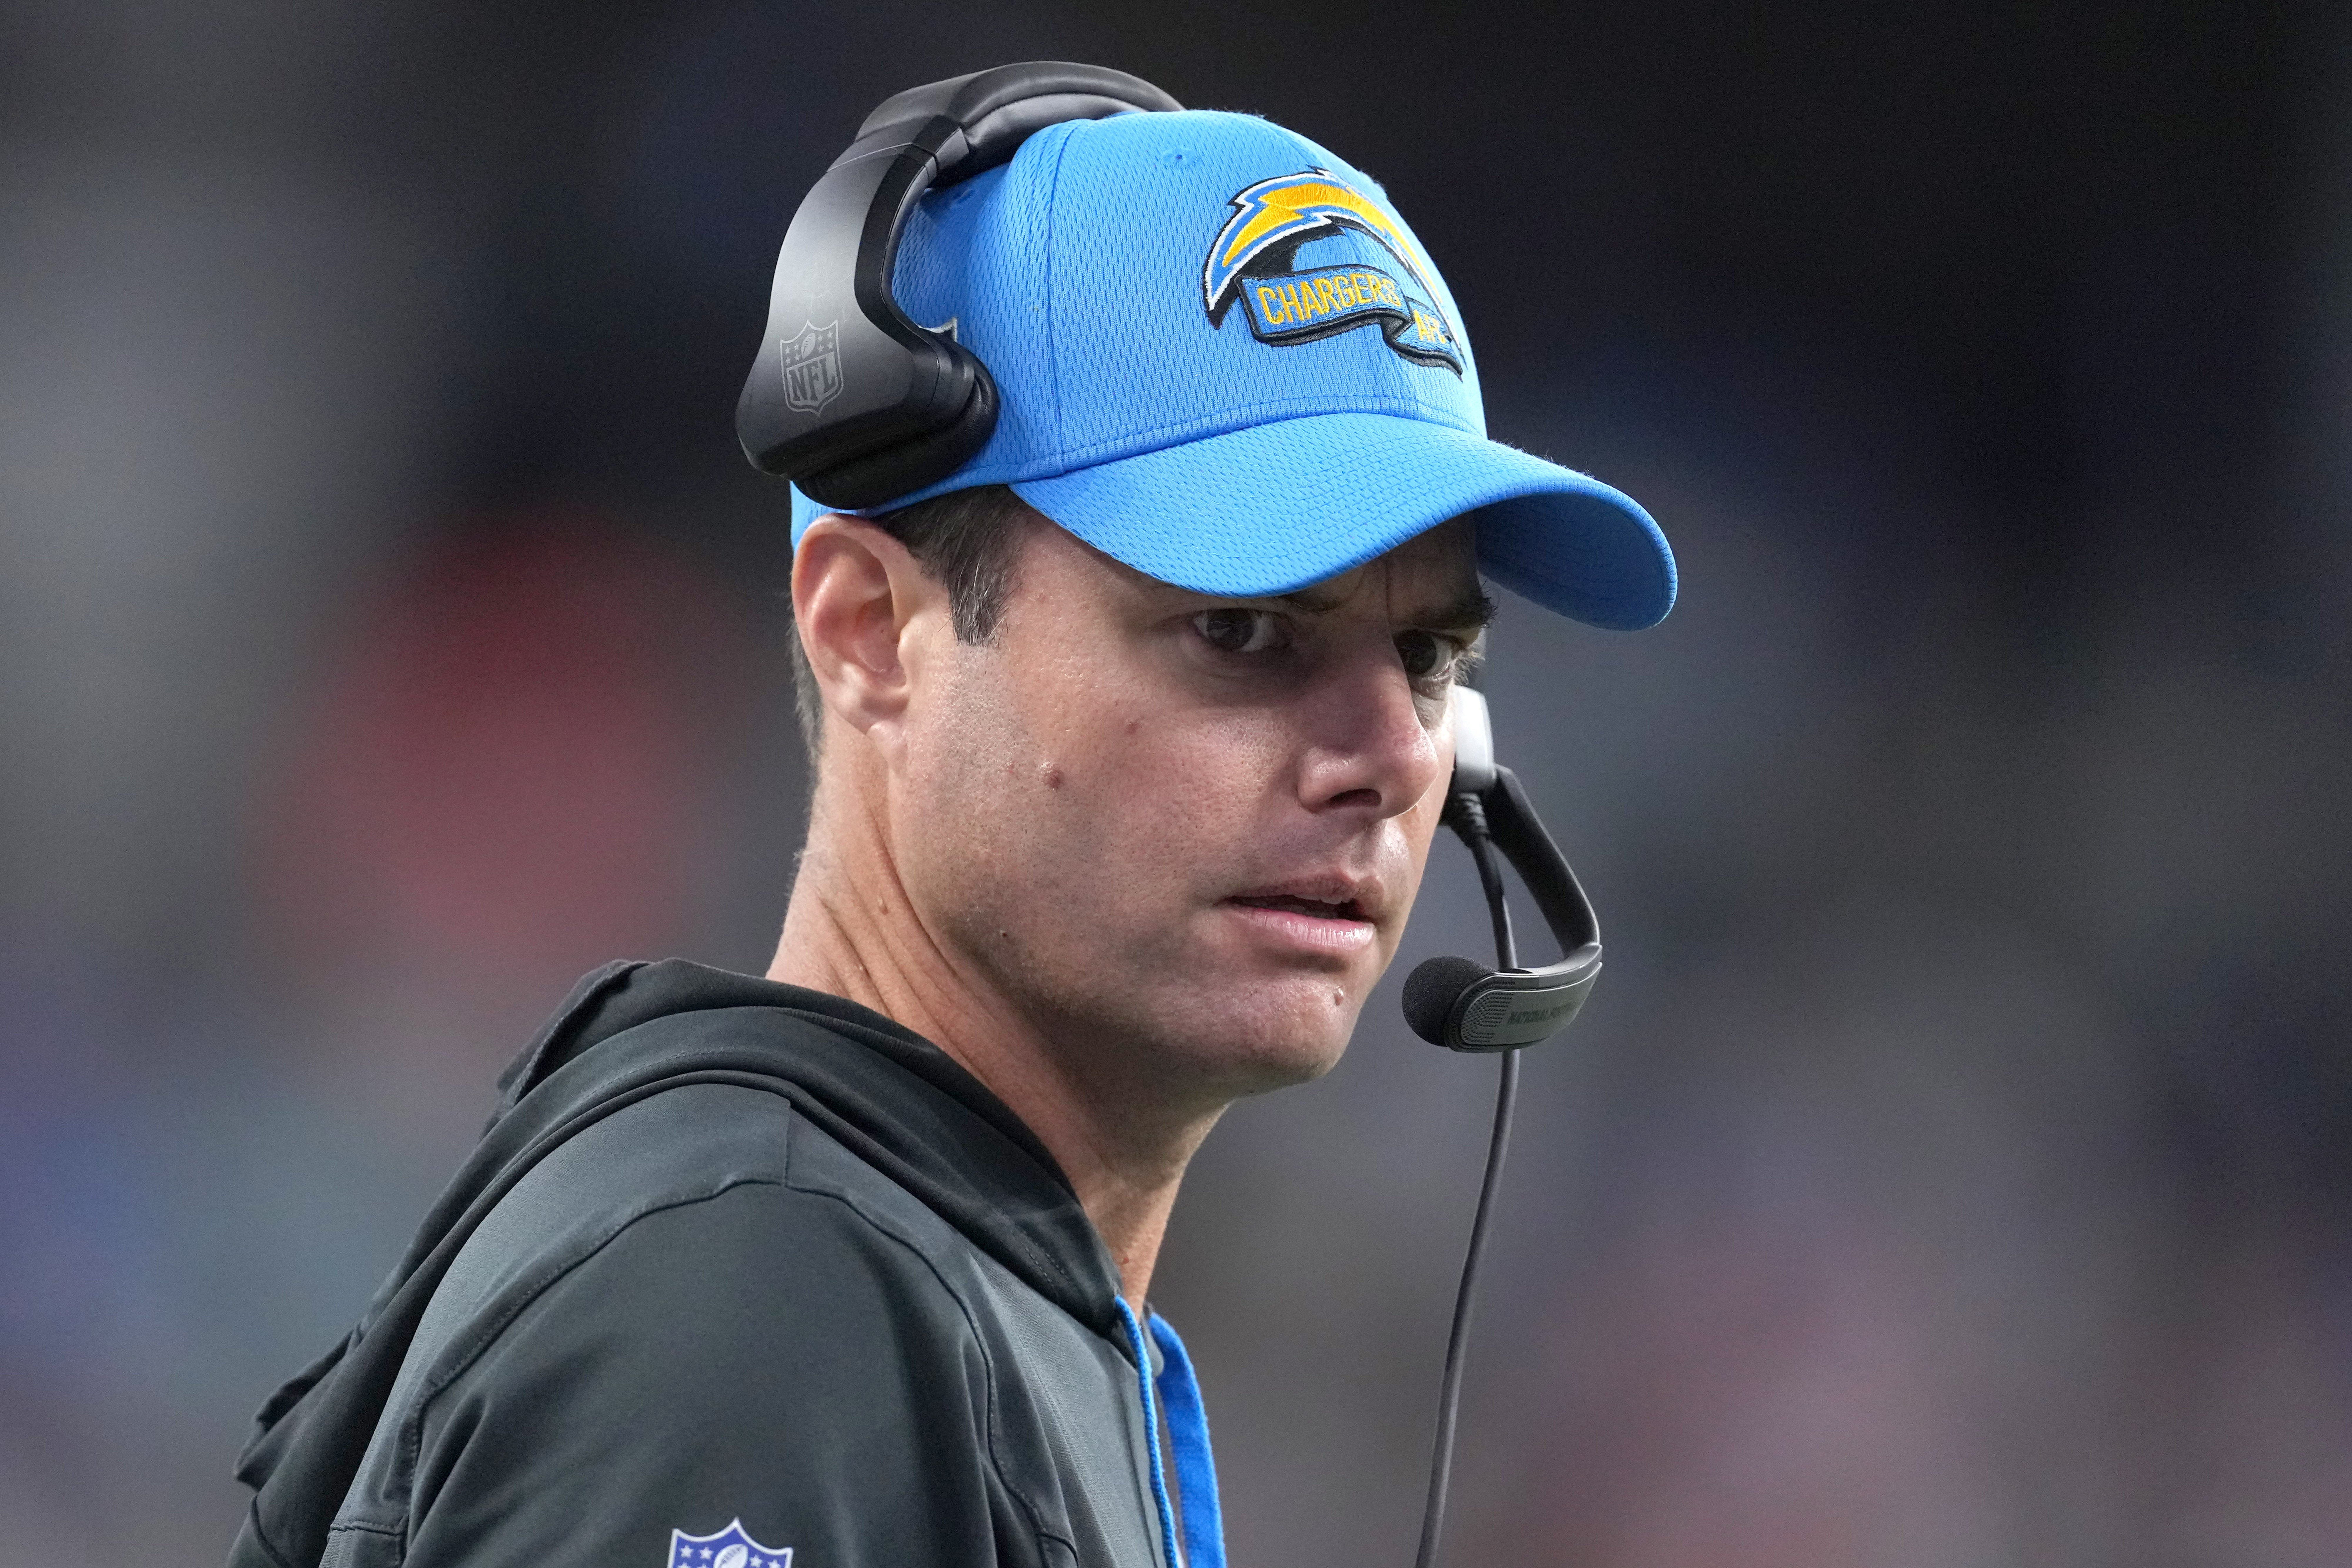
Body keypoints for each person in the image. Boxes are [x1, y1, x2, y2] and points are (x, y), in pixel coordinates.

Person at [227, 73, 1674, 1568]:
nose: (1387, 751)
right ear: (869, 633)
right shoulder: (758, 1309)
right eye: (1243, 632)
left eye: (1432, 656)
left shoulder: (936, 1294)